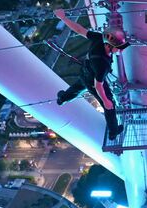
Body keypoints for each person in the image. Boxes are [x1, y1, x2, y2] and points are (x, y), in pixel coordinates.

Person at [53, 9, 130, 140]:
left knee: (79, 85)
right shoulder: (102, 63)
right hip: (94, 79)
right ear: (110, 46)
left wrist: (63, 18)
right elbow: (98, 85)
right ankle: (113, 131)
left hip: (86, 70)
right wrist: (105, 101)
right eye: (119, 48)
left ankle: (62, 99)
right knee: (109, 105)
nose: (121, 51)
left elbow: (79, 30)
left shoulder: (100, 38)